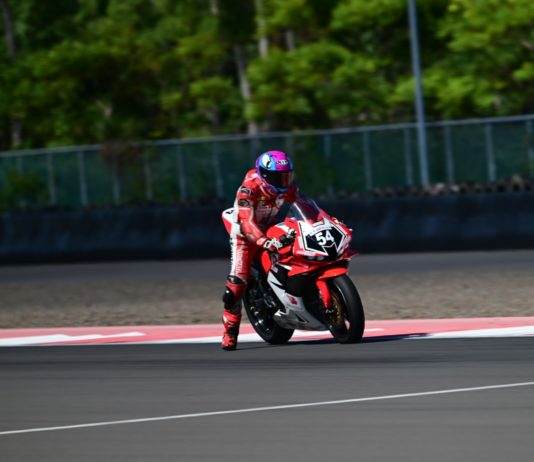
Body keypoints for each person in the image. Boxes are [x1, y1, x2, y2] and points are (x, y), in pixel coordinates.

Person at [221, 150, 298, 350]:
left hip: (270, 226)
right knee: (236, 284)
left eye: (286, 176)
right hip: (245, 235)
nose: (282, 182)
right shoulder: (248, 189)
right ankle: (230, 331)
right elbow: (247, 223)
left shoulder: (287, 187)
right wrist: (263, 241)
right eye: (276, 177)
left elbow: (303, 205)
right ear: (263, 174)